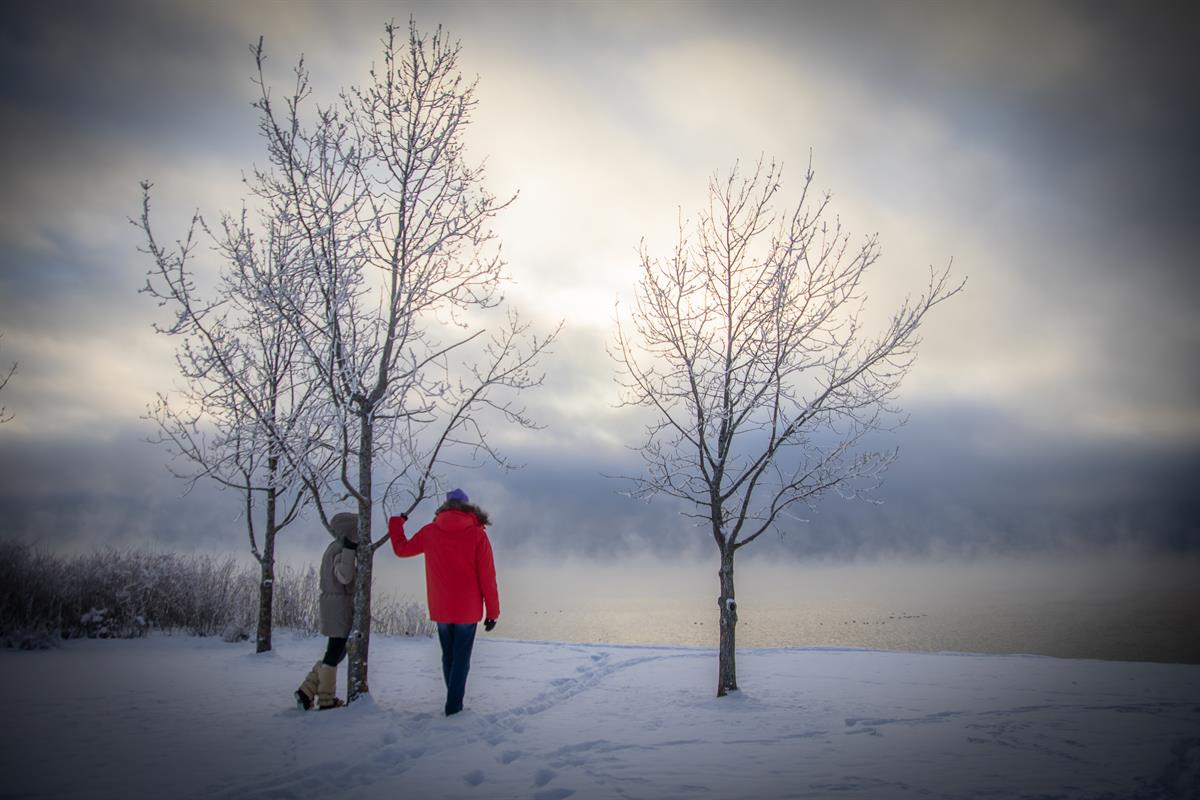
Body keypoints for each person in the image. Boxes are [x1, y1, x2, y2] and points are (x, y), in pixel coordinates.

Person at [387, 488, 499, 716]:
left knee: (448, 656)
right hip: (467, 610)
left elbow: (402, 549)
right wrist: (493, 612)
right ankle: (454, 707)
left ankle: (453, 702)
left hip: (441, 607)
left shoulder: (431, 531)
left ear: (446, 507)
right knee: (461, 659)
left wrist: (396, 524)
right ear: (469, 508)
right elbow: (488, 576)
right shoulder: (477, 534)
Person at [295, 511, 358, 711]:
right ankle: (326, 699)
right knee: (335, 652)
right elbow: (345, 577)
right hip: (339, 606)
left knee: (335, 652)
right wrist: (350, 552)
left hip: (334, 604)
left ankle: (307, 690)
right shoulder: (341, 549)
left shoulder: (333, 547)